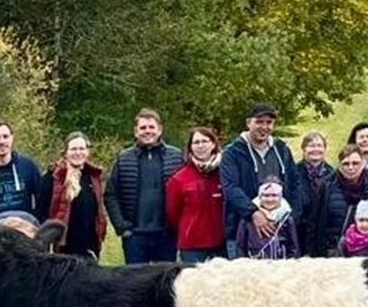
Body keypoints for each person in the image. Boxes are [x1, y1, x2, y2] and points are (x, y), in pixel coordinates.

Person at [218, 103, 297, 259]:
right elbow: (230, 187)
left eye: (269, 122)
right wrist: (253, 213)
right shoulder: (232, 152)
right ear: (249, 123)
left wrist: (289, 216)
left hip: (280, 232)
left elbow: (295, 183)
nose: (264, 127)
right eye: (259, 122)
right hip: (242, 231)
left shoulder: (282, 149)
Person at [105, 109, 183, 264]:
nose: (147, 131)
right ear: (136, 132)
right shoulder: (124, 158)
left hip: (167, 235)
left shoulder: (176, 157)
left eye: (151, 127)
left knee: (165, 278)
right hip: (135, 237)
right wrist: (121, 226)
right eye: (143, 128)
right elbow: (111, 195)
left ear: (160, 130)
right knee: (135, 279)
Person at [34, 132, 107, 261]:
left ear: (87, 151)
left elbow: (98, 212)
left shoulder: (93, 177)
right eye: (73, 149)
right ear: (65, 152)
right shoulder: (53, 177)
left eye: (81, 149)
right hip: (61, 247)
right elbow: (41, 213)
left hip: (88, 246)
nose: (78, 153)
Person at [164, 126, 227, 263]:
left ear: (213, 144)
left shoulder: (225, 174)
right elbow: (172, 213)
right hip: (192, 246)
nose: (201, 146)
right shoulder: (178, 179)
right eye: (196, 142)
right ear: (190, 147)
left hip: (222, 243)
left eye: (205, 141)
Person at [327, 144, 368, 257]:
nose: (351, 167)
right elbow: (316, 220)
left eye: (355, 163)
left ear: (363, 163)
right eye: (346, 164)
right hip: (333, 251)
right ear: (339, 165)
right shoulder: (327, 186)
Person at [294, 131, 340, 258]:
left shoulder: (333, 175)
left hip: (322, 232)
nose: (316, 149)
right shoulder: (293, 172)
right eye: (311, 146)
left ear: (325, 149)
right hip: (299, 231)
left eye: (319, 146)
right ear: (303, 149)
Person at [235, 178, 299, 259]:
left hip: (281, 263)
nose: (270, 199)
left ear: (280, 197)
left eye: (274, 195)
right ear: (260, 197)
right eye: (266, 195)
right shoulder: (247, 220)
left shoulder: (287, 219)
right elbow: (240, 248)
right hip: (254, 263)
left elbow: (294, 248)